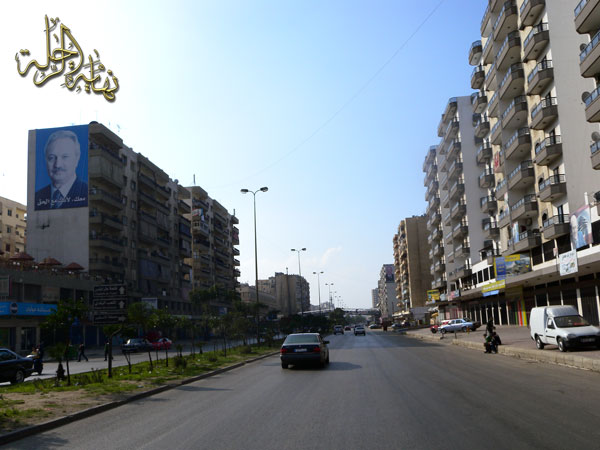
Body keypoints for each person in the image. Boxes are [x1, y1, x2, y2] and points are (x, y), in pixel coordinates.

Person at [34, 129, 88, 210]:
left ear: (77, 159)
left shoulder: (87, 193)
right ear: (46, 160)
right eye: (51, 158)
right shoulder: (36, 198)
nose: (57, 165)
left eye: (65, 157)